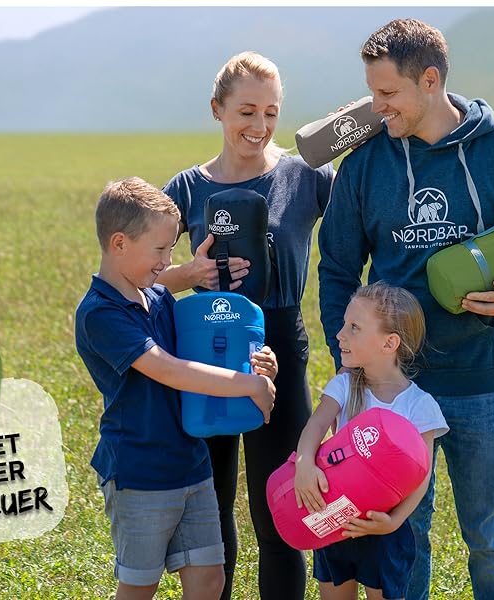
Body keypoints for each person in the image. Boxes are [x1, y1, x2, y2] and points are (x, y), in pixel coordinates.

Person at [318, 19, 494, 599]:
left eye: (388, 94)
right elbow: (338, 271)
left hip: (482, 385)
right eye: (371, 92)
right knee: (403, 540)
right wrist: (350, 363)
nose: (375, 108)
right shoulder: (365, 164)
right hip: (394, 390)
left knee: (492, 538)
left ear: (430, 81)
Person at [159, 51, 335, 598]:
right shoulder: (186, 189)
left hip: (280, 342)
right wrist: (190, 273)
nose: (259, 127)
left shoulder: (307, 176)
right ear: (217, 109)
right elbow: (137, 277)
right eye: (246, 112)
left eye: (271, 113)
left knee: (280, 506)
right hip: (205, 347)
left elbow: (365, 219)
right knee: (212, 513)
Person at [74, 176, 278, 600]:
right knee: (139, 587)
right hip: (140, 469)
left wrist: (258, 363)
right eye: (160, 250)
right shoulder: (100, 314)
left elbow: (206, 348)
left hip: (190, 462)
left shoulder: (158, 297)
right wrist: (246, 386)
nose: (166, 259)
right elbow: (167, 369)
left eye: (170, 249)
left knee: (209, 580)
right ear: (119, 244)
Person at [292, 283, 448, 600]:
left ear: (389, 343)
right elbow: (316, 425)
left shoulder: (420, 406)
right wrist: (304, 462)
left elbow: (421, 476)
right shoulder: (345, 385)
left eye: (354, 328)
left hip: (382, 529)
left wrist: (393, 522)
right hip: (335, 518)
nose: (340, 335)